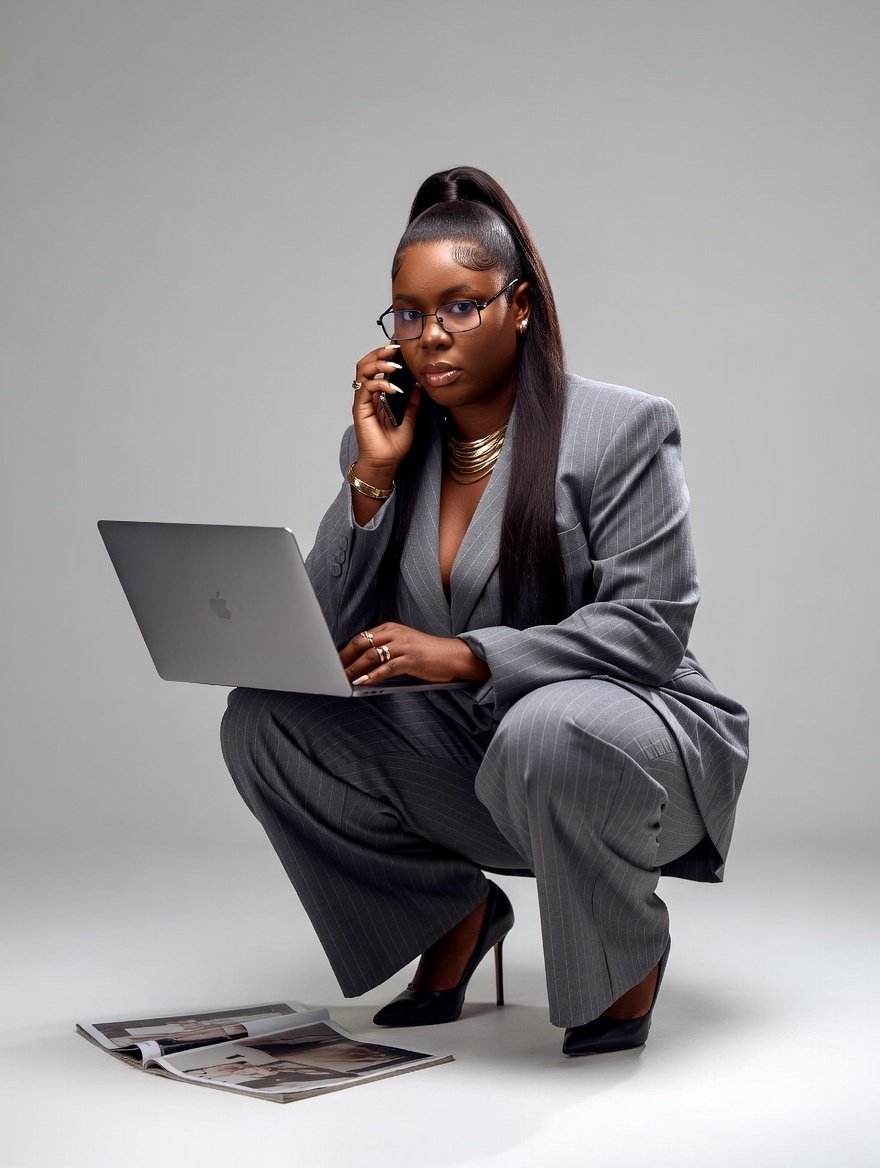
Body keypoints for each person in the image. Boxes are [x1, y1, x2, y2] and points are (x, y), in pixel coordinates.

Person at [220, 165, 750, 1057]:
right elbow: (312, 637)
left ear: (522, 306)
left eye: (460, 306)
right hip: (477, 750)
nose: (432, 336)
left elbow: (651, 627)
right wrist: (371, 482)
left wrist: (467, 655)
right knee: (265, 719)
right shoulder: (384, 444)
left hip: (639, 744)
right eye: (410, 314)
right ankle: (453, 915)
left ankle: (624, 956)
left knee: (547, 727)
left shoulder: (618, 428)